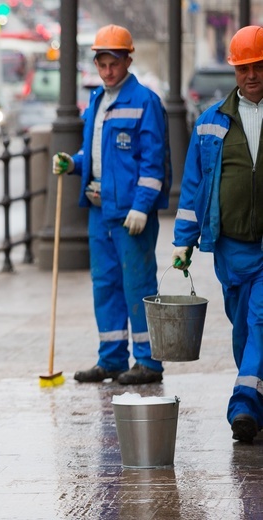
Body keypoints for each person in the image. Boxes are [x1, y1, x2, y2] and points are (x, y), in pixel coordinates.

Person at [52, 24, 171, 385]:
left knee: (137, 286)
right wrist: (74, 163)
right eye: (102, 64)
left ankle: (148, 362)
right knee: (105, 284)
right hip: (100, 210)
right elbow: (97, 154)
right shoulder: (97, 101)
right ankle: (113, 359)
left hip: (130, 215)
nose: (107, 71)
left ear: (127, 60)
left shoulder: (145, 102)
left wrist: (141, 206)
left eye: (113, 64)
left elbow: (154, 164)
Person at [172, 25, 263, 443]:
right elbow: (194, 186)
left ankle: (243, 403)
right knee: (242, 327)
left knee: (261, 318)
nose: (252, 75)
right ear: (234, 71)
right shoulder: (212, 123)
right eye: (245, 68)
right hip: (230, 245)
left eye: (259, 66)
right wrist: (183, 240)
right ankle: (256, 394)